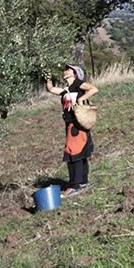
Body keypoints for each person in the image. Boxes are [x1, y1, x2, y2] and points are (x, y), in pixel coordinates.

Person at [45, 63, 98, 197]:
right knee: (80, 153)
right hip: (70, 124)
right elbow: (51, 89)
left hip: (77, 124)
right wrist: (48, 78)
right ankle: (82, 182)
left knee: (73, 154)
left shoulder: (78, 84)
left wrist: (81, 99)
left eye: (67, 69)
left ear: (74, 73)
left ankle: (74, 185)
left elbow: (93, 89)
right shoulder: (66, 90)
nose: (64, 71)